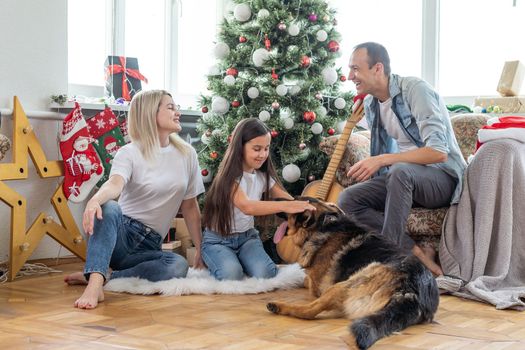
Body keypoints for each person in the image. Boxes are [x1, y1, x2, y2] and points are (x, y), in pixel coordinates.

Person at [64, 90, 205, 309]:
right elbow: (114, 184)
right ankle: (94, 285)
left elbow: (190, 205)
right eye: (170, 107)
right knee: (109, 207)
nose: (177, 112)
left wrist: (200, 249)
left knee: (177, 266)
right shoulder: (129, 152)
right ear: (150, 113)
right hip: (120, 235)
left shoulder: (187, 154)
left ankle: (104, 276)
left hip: (149, 246)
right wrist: (94, 200)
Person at [337, 42, 466, 276]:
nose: (349, 76)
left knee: (399, 170)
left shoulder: (415, 89)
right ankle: (415, 252)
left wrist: (384, 160)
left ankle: (388, 264)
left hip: (442, 178)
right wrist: (378, 170)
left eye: (355, 69)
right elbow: (382, 161)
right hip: (404, 180)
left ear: (377, 68)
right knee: (348, 199)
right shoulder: (370, 103)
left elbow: (438, 152)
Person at [202, 118, 315, 281]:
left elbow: (288, 199)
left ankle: (239, 259)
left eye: (266, 148)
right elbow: (247, 207)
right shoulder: (228, 178)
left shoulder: (263, 176)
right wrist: (286, 206)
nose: (262, 154)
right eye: (256, 149)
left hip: (247, 238)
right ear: (240, 147)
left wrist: (305, 207)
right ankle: (225, 260)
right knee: (231, 275)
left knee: (266, 274)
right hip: (218, 241)